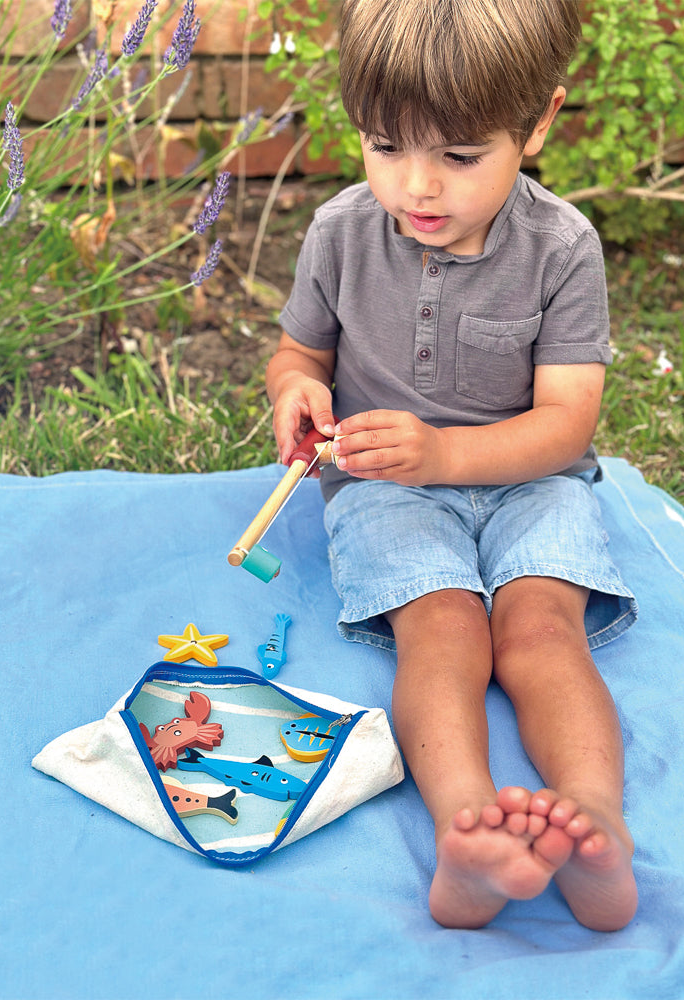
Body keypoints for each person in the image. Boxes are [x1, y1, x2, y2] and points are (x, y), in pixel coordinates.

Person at [265, 0, 639, 931]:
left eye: (460, 157)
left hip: (533, 481)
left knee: (541, 634)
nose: (417, 187)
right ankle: (466, 831)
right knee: (443, 633)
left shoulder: (562, 249)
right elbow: (298, 354)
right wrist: (295, 395)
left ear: (539, 123)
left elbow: (565, 424)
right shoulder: (342, 232)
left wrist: (450, 452)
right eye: (386, 146)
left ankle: (596, 823)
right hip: (388, 488)